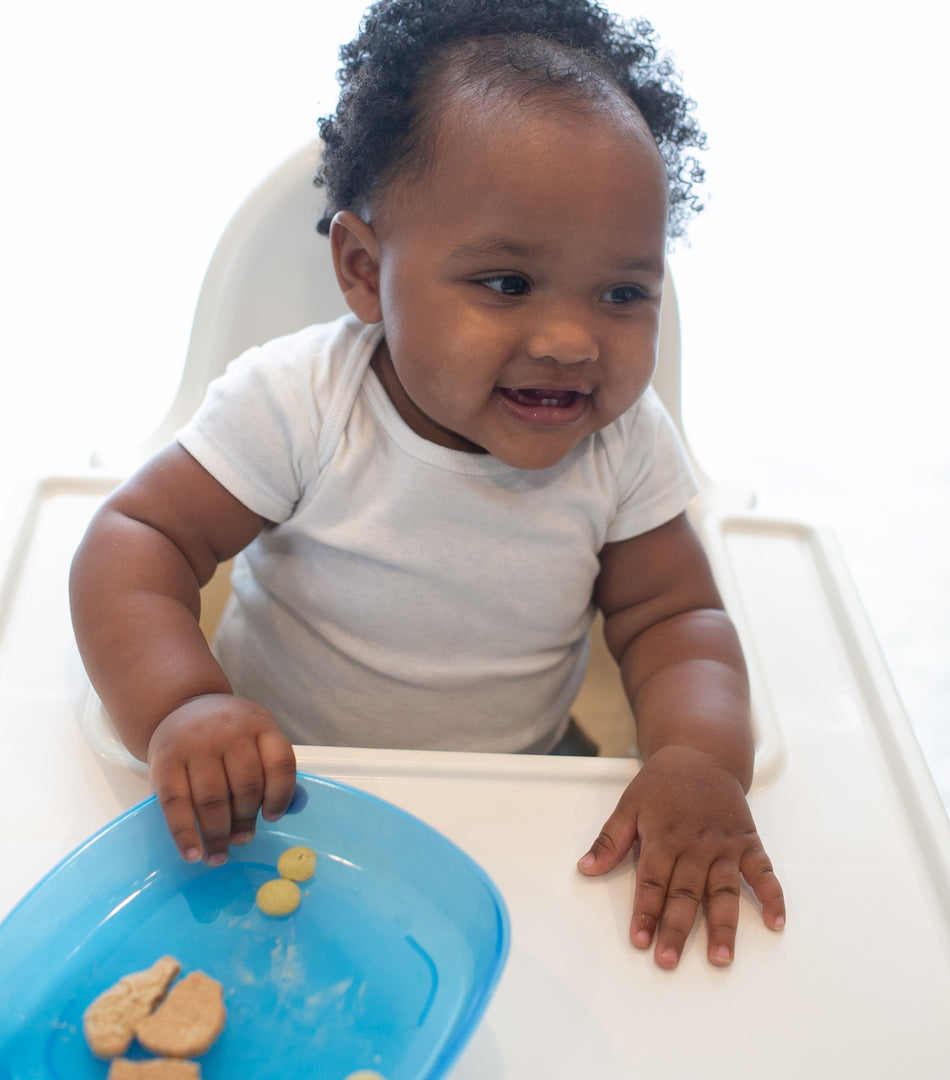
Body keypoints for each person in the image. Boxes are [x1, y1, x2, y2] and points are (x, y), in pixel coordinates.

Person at [69, 0, 785, 970]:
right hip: (279, 778)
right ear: (366, 271)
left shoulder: (623, 442)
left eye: (623, 293)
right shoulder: (299, 403)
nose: (574, 340)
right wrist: (183, 706)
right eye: (506, 283)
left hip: (522, 778)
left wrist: (697, 762)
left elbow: (677, 625)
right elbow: (135, 542)